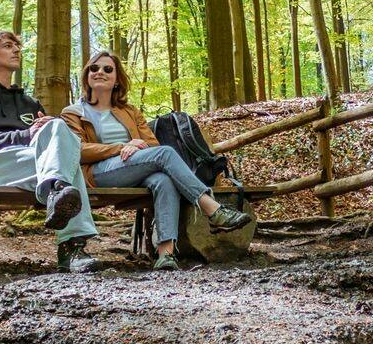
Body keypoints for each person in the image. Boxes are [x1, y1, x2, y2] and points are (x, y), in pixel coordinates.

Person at [60, 50, 249, 271]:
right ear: (87, 75)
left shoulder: (130, 111)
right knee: (166, 154)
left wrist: (135, 147)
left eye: (107, 69)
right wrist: (122, 147)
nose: (100, 72)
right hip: (97, 173)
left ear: (117, 79)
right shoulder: (73, 112)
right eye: (94, 68)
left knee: (162, 179)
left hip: (135, 168)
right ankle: (213, 210)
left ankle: (165, 255)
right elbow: (77, 150)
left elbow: (152, 144)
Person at [0, 30, 106, 273]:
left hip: (32, 165)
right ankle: (71, 247)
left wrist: (45, 130)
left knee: (57, 129)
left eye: (17, 46)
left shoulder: (28, 103)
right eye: (8, 46)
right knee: (67, 165)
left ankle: (57, 189)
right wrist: (25, 135)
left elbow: (48, 139)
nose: (16, 50)